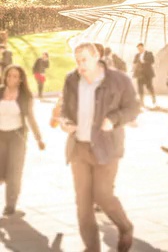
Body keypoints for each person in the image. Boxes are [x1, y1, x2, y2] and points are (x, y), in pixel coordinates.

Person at [59, 42, 138, 252]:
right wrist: (65, 122)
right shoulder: (71, 80)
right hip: (79, 148)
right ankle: (92, 248)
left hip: (106, 148)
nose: (80, 65)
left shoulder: (118, 80)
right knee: (83, 204)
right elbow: (65, 109)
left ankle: (125, 227)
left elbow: (133, 108)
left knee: (103, 195)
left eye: (84, 59)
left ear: (97, 57)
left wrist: (114, 119)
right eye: (77, 60)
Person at [0, 65, 45, 216]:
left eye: (15, 76)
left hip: (16, 137)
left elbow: (30, 118)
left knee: (14, 171)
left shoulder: (25, 96)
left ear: (20, 80)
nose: (11, 79)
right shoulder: (0, 91)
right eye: (9, 75)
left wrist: (39, 138)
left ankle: (10, 204)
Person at [132, 43, 156, 108]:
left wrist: (144, 62)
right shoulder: (137, 55)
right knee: (140, 88)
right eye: (138, 49)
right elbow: (134, 63)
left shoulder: (149, 53)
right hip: (139, 74)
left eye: (140, 48)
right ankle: (142, 101)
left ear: (143, 47)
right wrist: (134, 69)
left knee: (149, 86)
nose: (139, 50)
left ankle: (153, 96)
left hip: (147, 73)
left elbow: (152, 61)